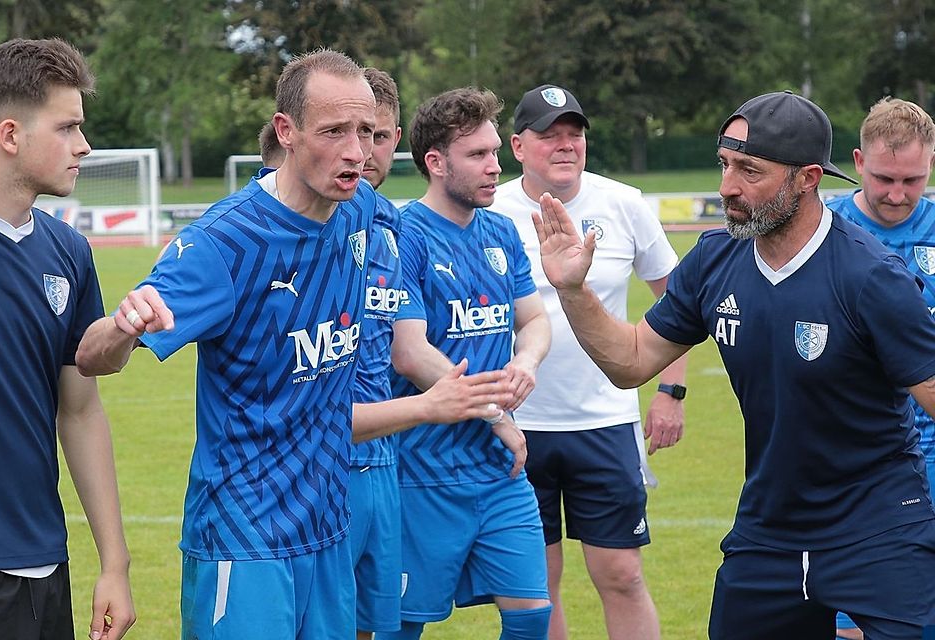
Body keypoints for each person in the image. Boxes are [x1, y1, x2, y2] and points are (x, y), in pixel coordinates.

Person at [533, 90, 935, 639]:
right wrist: (573, 291)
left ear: (808, 177)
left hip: (878, 529)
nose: (727, 187)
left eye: (750, 170)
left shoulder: (872, 278)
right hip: (768, 531)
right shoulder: (714, 259)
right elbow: (629, 361)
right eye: (725, 165)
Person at [76, 48, 381, 639]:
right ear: (286, 132)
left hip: (328, 528)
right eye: (335, 131)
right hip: (244, 539)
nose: (356, 152)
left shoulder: (359, 209)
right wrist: (121, 325)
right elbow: (91, 358)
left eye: (366, 132)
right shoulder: (224, 245)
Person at [491, 84, 686, 640]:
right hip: (519, 425)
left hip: (605, 422)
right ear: (518, 146)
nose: (565, 145)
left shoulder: (623, 202)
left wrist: (671, 392)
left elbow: (677, 302)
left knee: (621, 574)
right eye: (549, 135)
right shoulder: (494, 212)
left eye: (574, 134)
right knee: (536, 585)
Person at [0, 39, 135, 640]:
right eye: (67, 127)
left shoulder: (68, 251)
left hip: (44, 565)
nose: (84, 146)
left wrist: (114, 565)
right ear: (10, 134)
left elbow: (82, 409)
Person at [384, 87, 553, 640]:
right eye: (477, 155)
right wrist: (495, 414)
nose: (494, 166)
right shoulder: (403, 235)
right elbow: (408, 352)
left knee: (532, 620)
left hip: (500, 474)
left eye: (493, 152)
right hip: (423, 473)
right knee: (401, 628)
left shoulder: (502, 230)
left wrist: (525, 363)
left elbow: (535, 320)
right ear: (435, 163)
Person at [824, 97, 935, 640]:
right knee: (858, 624)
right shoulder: (822, 231)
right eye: (885, 178)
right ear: (858, 161)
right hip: (858, 464)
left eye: (912, 180)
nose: (897, 194)